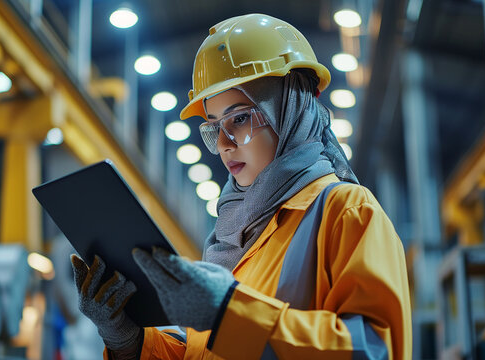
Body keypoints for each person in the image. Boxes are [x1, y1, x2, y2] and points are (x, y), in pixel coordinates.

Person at [70, 13, 412, 359]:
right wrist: (127, 340)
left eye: (240, 118)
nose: (223, 143)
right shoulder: (232, 234)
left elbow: (374, 350)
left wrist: (229, 312)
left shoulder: (346, 211)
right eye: (213, 126)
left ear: (290, 109)